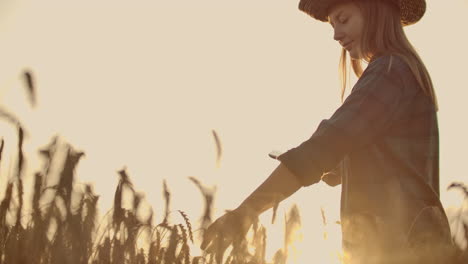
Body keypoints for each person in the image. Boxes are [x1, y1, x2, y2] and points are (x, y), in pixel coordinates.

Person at [201, 0, 457, 263]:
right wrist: (343, 167)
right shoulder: (405, 69)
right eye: (332, 25)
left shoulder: (389, 72)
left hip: (399, 247)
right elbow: (397, 162)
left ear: (374, 11)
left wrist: (244, 215)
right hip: (416, 243)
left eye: (343, 20)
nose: (336, 34)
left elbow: (324, 148)